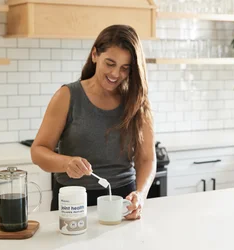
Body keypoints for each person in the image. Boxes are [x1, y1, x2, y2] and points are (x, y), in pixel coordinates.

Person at [30, 24, 156, 220]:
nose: (115, 74)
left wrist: (139, 195)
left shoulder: (138, 102)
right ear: (95, 55)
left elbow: (146, 159)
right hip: (73, 202)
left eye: (125, 68)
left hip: (122, 202)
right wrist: (66, 163)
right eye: (110, 63)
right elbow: (38, 151)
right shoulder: (67, 96)